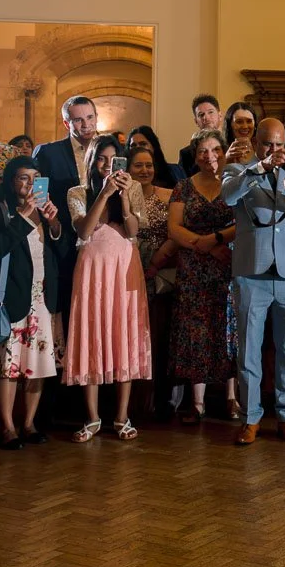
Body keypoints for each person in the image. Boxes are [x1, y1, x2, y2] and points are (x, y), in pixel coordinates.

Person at [222, 118, 285, 445]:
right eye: (269, 145)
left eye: (280, 145)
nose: (276, 151)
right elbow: (228, 197)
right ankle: (250, 418)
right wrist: (258, 168)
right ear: (256, 143)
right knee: (249, 350)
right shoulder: (239, 168)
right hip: (252, 273)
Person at [0, 156, 68, 447]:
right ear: (11, 180)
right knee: (9, 364)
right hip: (12, 296)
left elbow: (62, 252)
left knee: (38, 362)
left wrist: (53, 224)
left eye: (34, 177)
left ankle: (29, 423)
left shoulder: (45, 209)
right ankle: (7, 426)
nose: (28, 183)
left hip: (42, 295)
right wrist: (24, 219)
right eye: (22, 177)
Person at [63, 135, 152, 442]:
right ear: (91, 161)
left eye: (113, 160)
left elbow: (133, 231)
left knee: (123, 335)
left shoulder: (135, 189)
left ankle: (122, 415)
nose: (106, 166)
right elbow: (84, 230)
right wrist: (103, 193)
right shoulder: (77, 191)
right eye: (101, 159)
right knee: (92, 334)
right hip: (91, 268)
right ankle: (91, 417)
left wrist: (125, 197)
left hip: (125, 266)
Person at [167, 129, 239, 423]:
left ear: (224, 151)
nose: (210, 157)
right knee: (195, 331)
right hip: (194, 268)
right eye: (203, 152)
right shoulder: (183, 187)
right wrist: (208, 247)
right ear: (195, 157)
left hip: (229, 265)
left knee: (227, 330)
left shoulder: (236, 183)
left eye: (215, 150)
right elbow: (174, 228)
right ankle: (197, 403)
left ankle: (231, 398)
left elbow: (244, 221)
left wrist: (218, 240)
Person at [128, 144, 180, 422]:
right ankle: (133, 402)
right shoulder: (121, 197)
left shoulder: (168, 196)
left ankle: (160, 400)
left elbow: (176, 232)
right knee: (133, 338)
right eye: (138, 165)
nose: (145, 170)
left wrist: (156, 262)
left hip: (161, 275)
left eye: (149, 165)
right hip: (128, 273)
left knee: (159, 338)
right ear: (127, 169)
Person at [179, 94, 223, 175]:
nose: (206, 117)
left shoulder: (232, 145)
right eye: (201, 115)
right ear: (196, 121)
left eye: (210, 112)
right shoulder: (186, 154)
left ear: (220, 115)